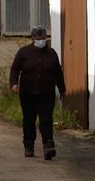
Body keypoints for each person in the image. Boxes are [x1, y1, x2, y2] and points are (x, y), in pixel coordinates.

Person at [9, 27, 65, 160]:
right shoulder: (24, 52)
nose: (41, 40)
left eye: (43, 38)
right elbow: (15, 69)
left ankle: (48, 145)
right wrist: (14, 84)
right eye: (38, 38)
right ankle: (28, 145)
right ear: (33, 38)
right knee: (29, 120)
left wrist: (62, 89)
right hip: (27, 93)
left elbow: (58, 72)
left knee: (46, 119)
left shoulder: (51, 53)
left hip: (46, 93)